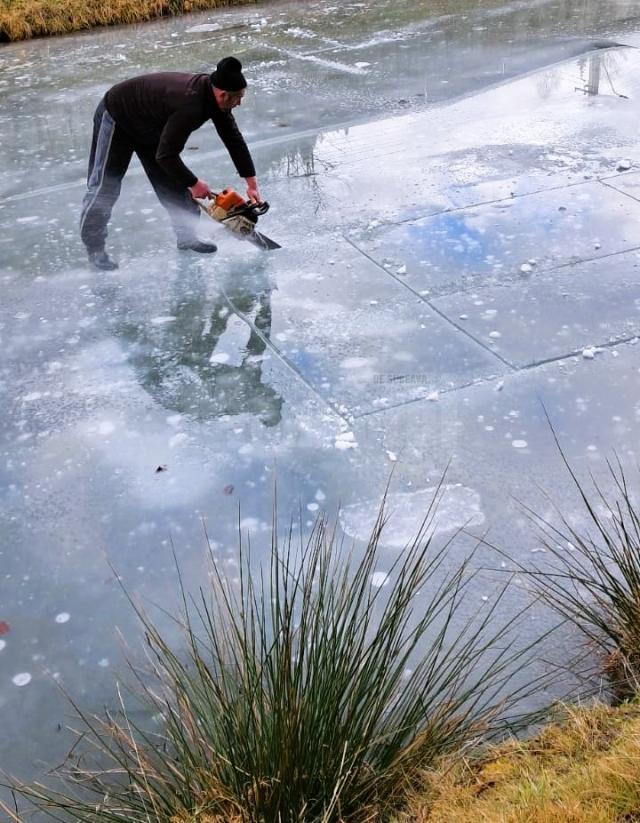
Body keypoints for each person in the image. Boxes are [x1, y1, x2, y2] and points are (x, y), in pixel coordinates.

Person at [80, 56, 261, 271]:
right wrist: (194, 183)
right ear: (223, 95)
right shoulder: (190, 104)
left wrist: (251, 184)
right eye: (238, 98)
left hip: (150, 127)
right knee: (104, 187)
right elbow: (166, 156)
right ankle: (95, 249)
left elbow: (234, 139)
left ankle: (187, 237)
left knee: (172, 186)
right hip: (119, 117)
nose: (239, 103)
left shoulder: (216, 100)